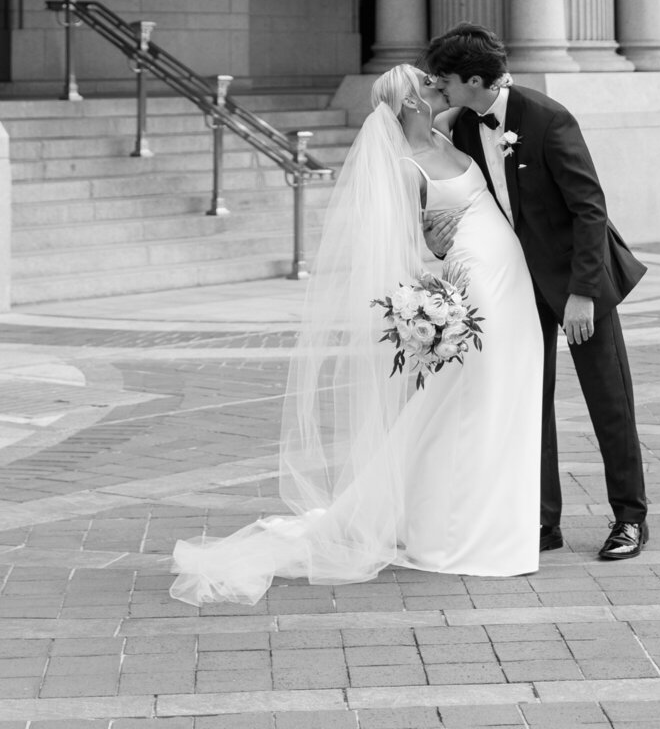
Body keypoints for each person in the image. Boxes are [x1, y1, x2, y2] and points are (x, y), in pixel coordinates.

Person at [168, 64, 543, 605]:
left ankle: (480, 517)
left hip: (511, 281)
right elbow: (393, 248)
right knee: (474, 402)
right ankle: (456, 531)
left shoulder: (447, 131)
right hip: (476, 284)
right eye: (430, 87)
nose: (440, 89)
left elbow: (493, 96)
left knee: (499, 397)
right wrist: (433, 257)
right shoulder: (404, 165)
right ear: (413, 103)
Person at [423, 22, 649, 561]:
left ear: (474, 80)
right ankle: (544, 522)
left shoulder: (547, 118)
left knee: (609, 400)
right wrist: (435, 243)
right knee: (530, 403)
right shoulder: (458, 127)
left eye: (445, 80)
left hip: (577, 283)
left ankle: (630, 519)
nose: (440, 88)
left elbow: (590, 208)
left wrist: (583, 294)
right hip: (514, 288)